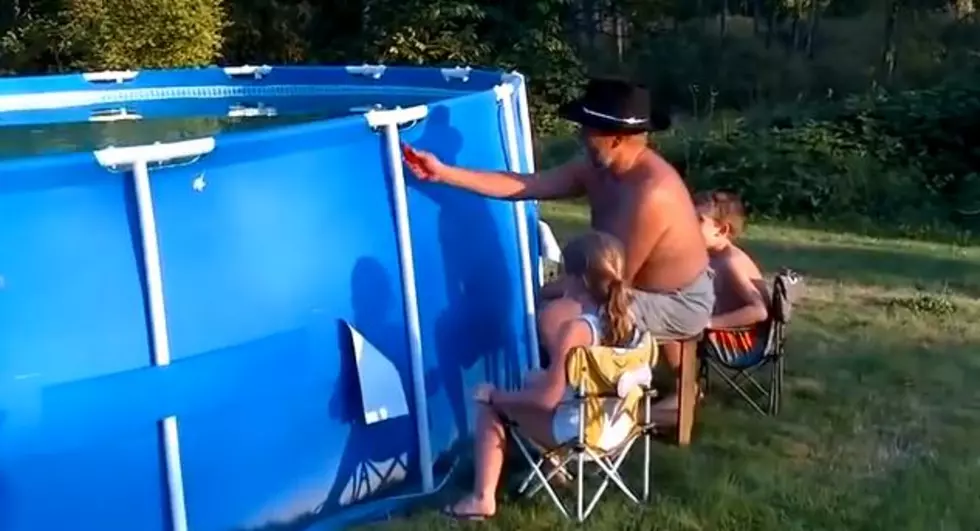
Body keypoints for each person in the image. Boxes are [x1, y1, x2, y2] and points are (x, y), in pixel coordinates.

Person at [401, 77, 715, 348]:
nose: (580, 136)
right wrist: (444, 173)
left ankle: (564, 402)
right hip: (629, 284)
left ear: (616, 138)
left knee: (555, 319)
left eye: (588, 130)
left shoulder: (651, 194)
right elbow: (528, 185)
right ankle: (559, 393)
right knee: (547, 307)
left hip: (677, 300)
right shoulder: (597, 168)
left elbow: (611, 283)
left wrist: (543, 294)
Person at [441, 231, 645, 521]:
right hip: (619, 425)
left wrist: (496, 396)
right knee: (534, 378)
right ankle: (554, 469)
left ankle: (482, 498)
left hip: (579, 431)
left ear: (577, 280)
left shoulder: (576, 331)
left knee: (491, 408)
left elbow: (547, 400)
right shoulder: (626, 321)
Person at [694, 190, 768, 330]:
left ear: (722, 230)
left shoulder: (731, 262)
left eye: (699, 220)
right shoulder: (711, 255)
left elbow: (759, 311)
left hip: (741, 343)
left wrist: (710, 323)